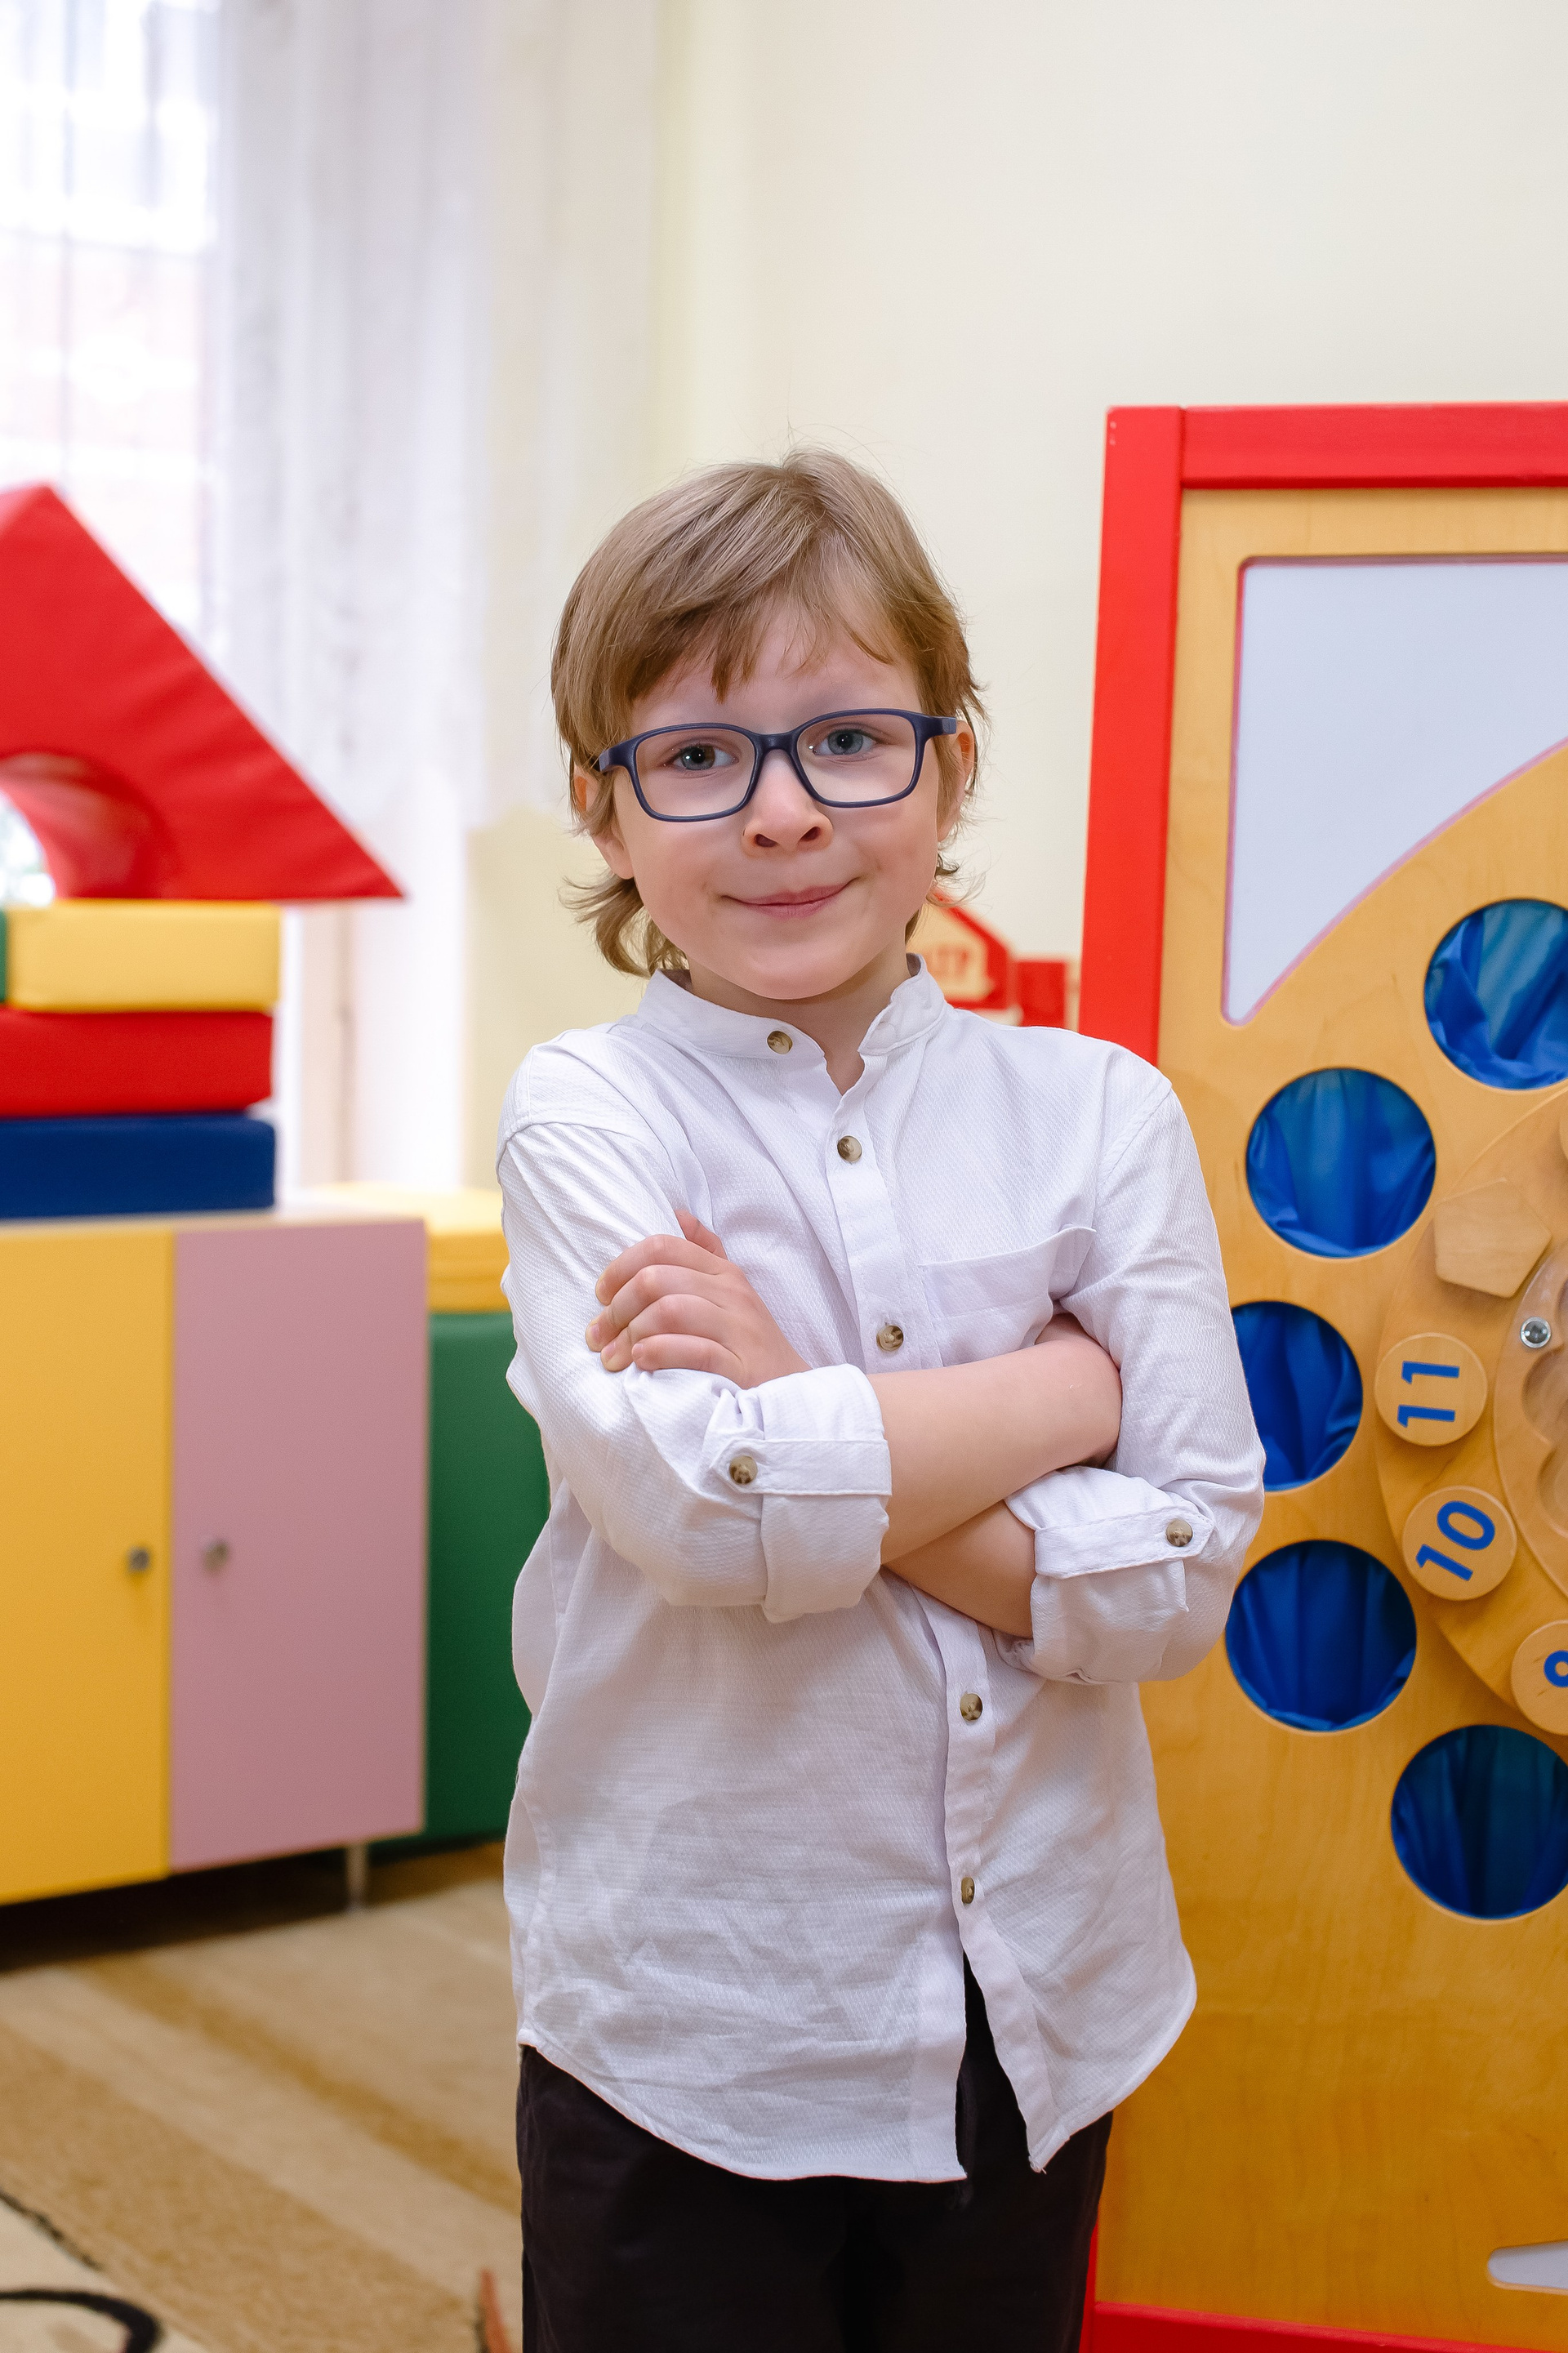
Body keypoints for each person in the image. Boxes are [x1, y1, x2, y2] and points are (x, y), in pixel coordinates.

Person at [496, 449, 1264, 2352]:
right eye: (698, 756)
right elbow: (703, 1516)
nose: (782, 814)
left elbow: (1186, 1573)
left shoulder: (1100, 1114)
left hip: (1037, 2001)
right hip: (694, 2020)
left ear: (950, 764)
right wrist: (1064, 1391)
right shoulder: (588, 1112)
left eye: (848, 740)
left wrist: (794, 1397)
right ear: (604, 802)